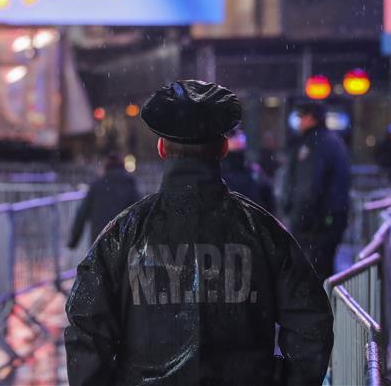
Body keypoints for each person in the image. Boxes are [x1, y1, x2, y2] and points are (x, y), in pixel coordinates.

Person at [65, 80, 333, 386]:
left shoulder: (123, 233)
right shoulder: (263, 231)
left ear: (162, 148)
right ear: (222, 148)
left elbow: (86, 327)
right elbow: (311, 321)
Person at [282, 102, 351, 279]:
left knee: (311, 276)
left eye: (301, 117)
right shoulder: (332, 141)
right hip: (329, 219)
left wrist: (299, 219)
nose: (299, 122)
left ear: (310, 117)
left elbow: (308, 186)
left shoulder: (313, 144)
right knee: (323, 272)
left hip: (315, 224)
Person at [67, 152, 140, 248]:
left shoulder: (96, 186)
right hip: (122, 242)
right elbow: (139, 214)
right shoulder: (130, 187)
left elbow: (82, 214)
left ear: (106, 167)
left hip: (99, 242)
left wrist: (73, 241)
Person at [221, 127, 276, 212]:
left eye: (240, 134)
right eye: (233, 135)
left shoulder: (253, 171)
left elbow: (268, 199)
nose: (238, 137)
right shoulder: (219, 171)